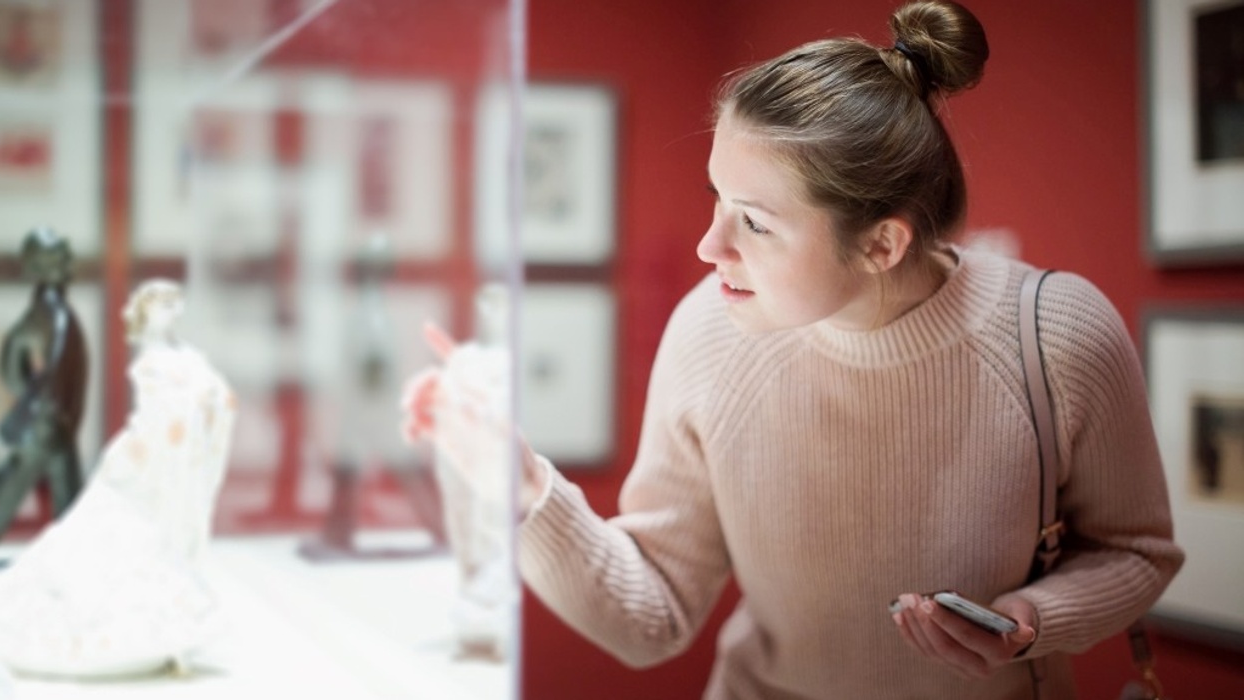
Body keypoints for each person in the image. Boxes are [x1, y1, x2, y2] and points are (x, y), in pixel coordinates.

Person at [403, 1, 1185, 697]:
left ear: (881, 244)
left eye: (755, 222)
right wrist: (522, 486)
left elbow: (1137, 554)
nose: (710, 247)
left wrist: (1027, 621)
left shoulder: (1056, 334)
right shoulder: (708, 330)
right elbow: (653, 618)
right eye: (717, 199)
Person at [0, 279, 236, 679]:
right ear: (145, 310)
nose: (170, 309)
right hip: (153, 457)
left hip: (175, 460)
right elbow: (162, 413)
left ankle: (169, 630)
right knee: (113, 532)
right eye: (161, 303)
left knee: (156, 535)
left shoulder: (187, 354)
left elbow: (209, 397)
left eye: (173, 302)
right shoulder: (150, 362)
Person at [0, 226, 89, 539]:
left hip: (51, 426)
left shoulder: (47, 315)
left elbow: (12, 367)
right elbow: (12, 364)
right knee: (13, 490)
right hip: (46, 425)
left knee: (69, 504)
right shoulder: (50, 316)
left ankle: (73, 557)